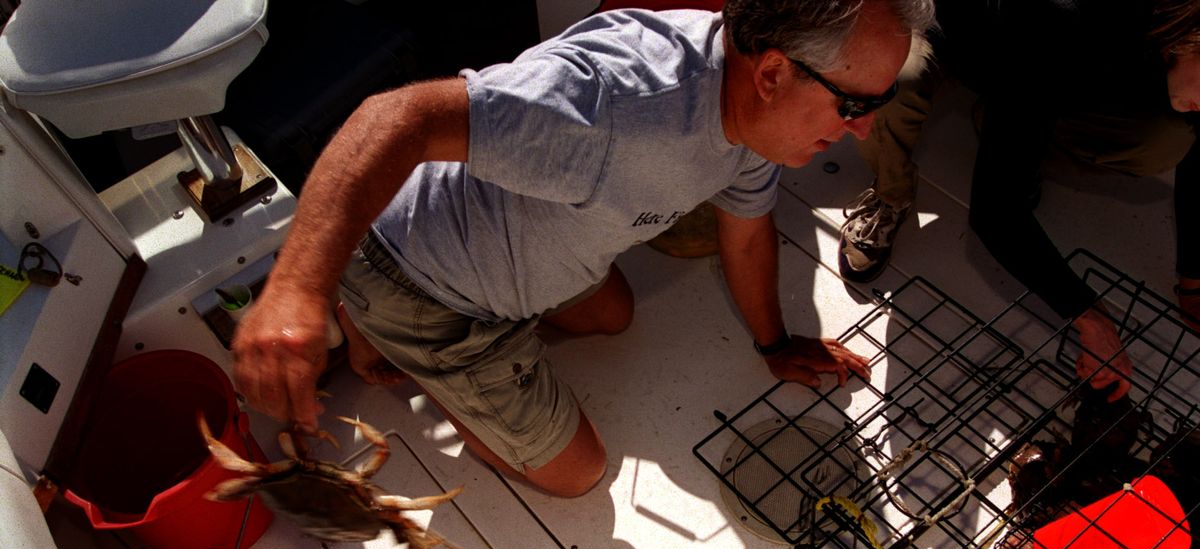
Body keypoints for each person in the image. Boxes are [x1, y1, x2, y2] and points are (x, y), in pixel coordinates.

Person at [232, 0, 935, 498]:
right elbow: (397, 118)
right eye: (854, 106)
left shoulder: (758, 116)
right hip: (421, 281)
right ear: (774, 73)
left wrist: (774, 343)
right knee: (577, 473)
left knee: (614, 315)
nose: (866, 131)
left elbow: (747, 231)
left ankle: (380, 334)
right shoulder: (608, 104)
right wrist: (298, 286)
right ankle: (402, 344)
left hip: (509, 241)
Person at [836, 0, 1200, 403]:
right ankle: (891, 193)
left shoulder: (1177, 36)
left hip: (1029, 60)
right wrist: (1091, 319)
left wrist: (1193, 282)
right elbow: (995, 214)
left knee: (1167, 139)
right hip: (937, 18)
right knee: (886, 89)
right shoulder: (1064, 29)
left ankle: (1017, 126)